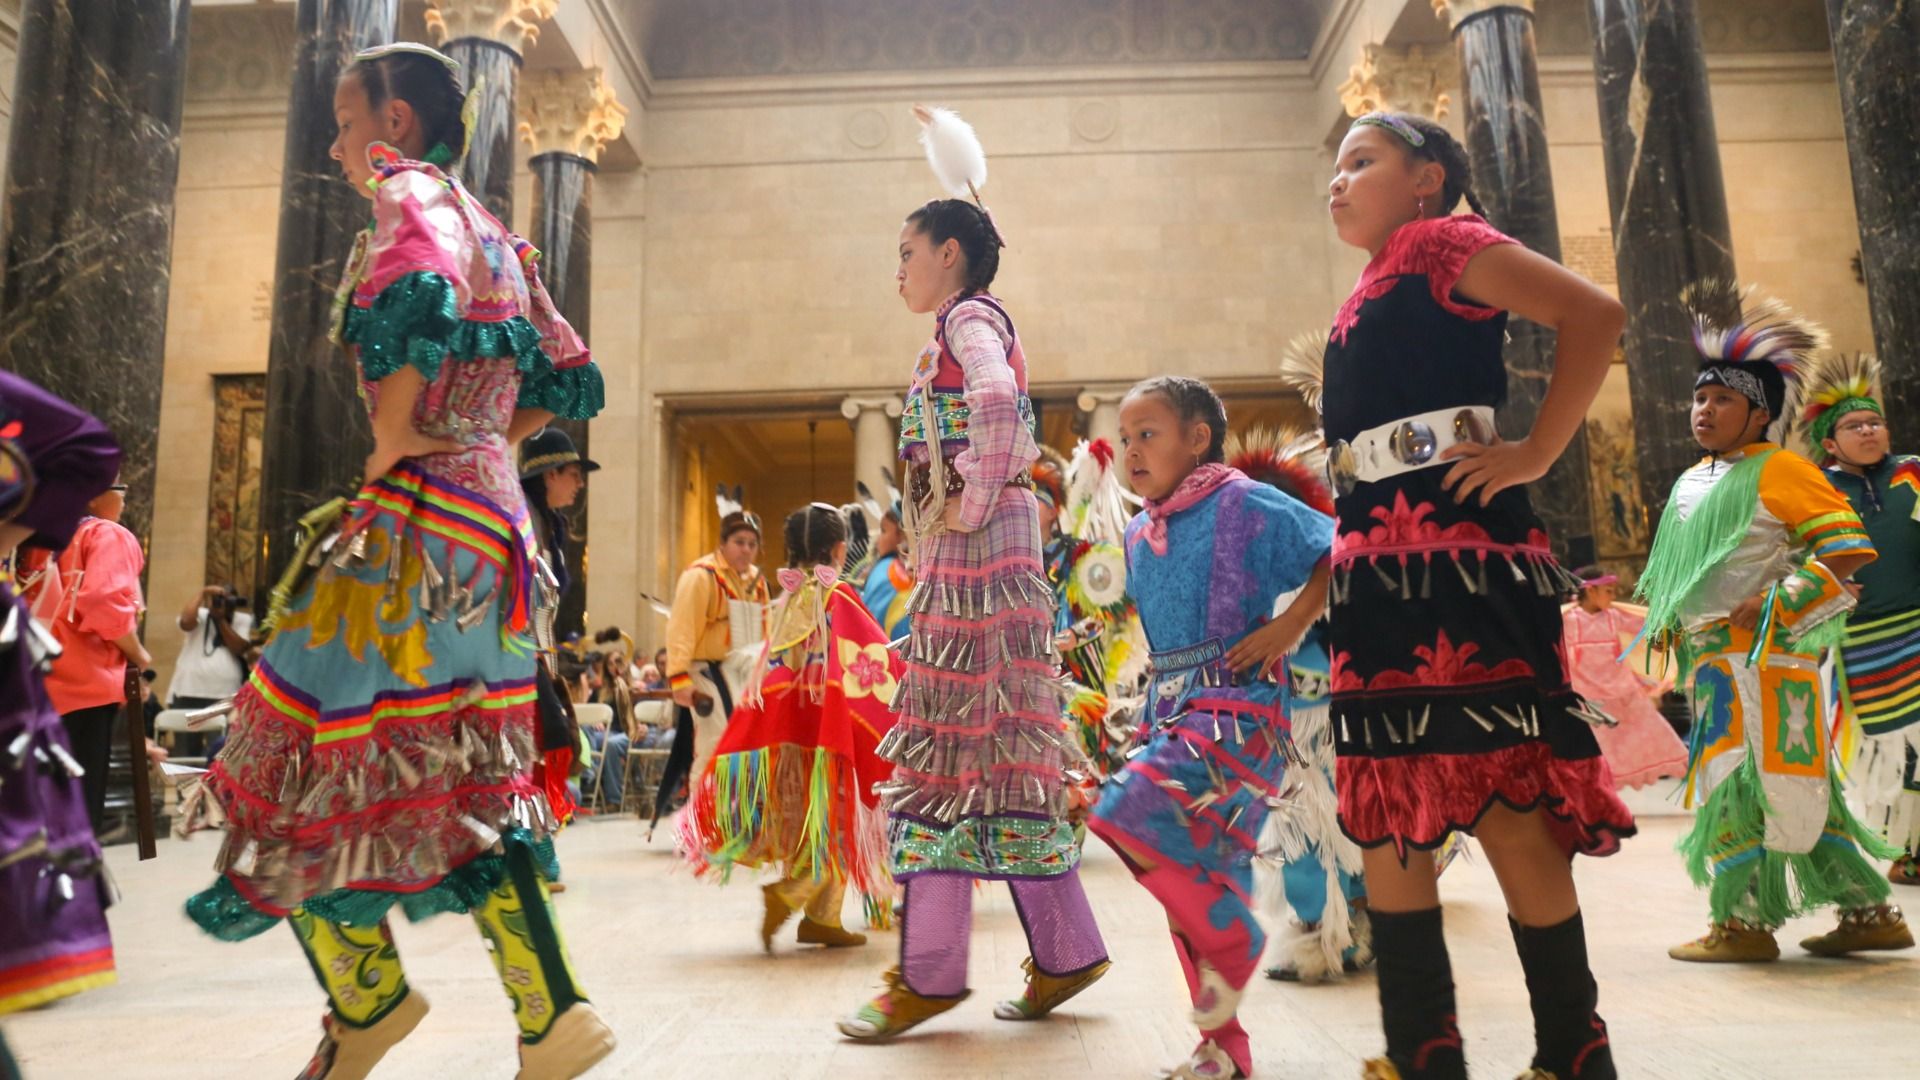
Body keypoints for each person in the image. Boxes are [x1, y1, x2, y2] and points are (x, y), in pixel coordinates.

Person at [179, 44, 613, 1079]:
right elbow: (570, 372)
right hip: (490, 526)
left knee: (282, 756)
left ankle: (368, 997)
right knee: (458, 767)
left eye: (343, 121)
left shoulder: (410, 191)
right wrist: (488, 440)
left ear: (399, 122)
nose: (334, 147)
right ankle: (550, 1015)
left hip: (416, 526)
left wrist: (397, 429)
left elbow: (408, 292)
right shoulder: (502, 233)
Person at [1321, 112, 1635, 1080]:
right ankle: (1423, 1053)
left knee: (1504, 792)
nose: (1337, 180)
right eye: (1332, 166)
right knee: (1384, 796)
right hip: (1372, 569)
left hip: (1462, 557)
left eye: (1360, 161)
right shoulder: (1369, 285)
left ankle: (1572, 1052)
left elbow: (1596, 315)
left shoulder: (1445, 243)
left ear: (1428, 177)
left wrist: (1536, 449)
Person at [838, 105, 1108, 1042]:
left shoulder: (968, 319)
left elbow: (996, 401)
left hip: (979, 561)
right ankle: (1065, 947)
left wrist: (975, 495)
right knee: (997, 753)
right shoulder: (963, 321)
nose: (899, 267)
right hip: (984, 565)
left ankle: (930, 971)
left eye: (907, 249)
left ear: (949, 251)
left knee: (951, 750)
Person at [1634, 298, 1911, 966]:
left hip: (1763, 658)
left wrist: (1774, 601)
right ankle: (1869, 912)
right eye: (1698, 398)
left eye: (1722, 400)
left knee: (1743, 783)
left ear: (1760, 413)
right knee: (1788, 784)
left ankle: (1741, 924)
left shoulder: (1782, 468)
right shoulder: (1692, 480)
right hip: (1715, 662)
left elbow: (1845, 549)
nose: (1704, 409)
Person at [1086, 381, 1334, 1079]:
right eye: (1125, 437)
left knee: (1123, 813)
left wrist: (1289, 626)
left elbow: (1334, 548)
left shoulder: (1241, 501)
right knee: (1198, 877)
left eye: (1149, 434)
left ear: (1197, 438)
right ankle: (1226, 1051)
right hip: (1174, 707)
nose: (1132, 449)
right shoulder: (1140, 529)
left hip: (1239, 707)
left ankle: (1239, 941)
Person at [679, 504, 903, 952]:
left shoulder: (789, 598)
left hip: (787, 724)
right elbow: (875, 652)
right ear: (840, 549)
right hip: (825, 724)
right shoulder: (835, 592)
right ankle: (793, 893)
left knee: (807, 816)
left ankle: (822, 919)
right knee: (835, 816)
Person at [1214, 426, 1372, 989]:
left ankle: (1328, 934)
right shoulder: (1253, 573)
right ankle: (1342, 927)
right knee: (1312, 827)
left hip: (1315, 723)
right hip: (1291, 722)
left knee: (1318, 826)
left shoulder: (1315, 567)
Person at [0, 371, 124, 1023]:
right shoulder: (110, 538)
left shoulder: (100, 537)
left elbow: (85, 446)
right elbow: (109, 606)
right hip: (80, 674)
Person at [1804, 354, 1920, 887]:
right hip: (1863, 642)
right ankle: (1908, 848)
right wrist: (1824, 590)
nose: (1869, 430)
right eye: (1854, 425)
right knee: (1892, 751)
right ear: (1830, 441)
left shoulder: (1913, 473)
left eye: (1875, 421)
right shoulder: (1815, 491)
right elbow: (1795, 560)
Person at [32, 478, 149, 835]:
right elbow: (102, 603)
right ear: (93, 495)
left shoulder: (35, 538)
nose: (126, 498)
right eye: (120, 487)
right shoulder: (106, 534)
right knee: (73, 820)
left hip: (28, 687)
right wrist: (140, 654)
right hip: (81, 689)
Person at [655, 504, 770, 839]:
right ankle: (698, 829)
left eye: (752, 542)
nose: (746, 549)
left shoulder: (758, 582)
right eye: (739, 541)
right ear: (723, 543)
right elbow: (681, 628)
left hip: (746, 671)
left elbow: (769, 629)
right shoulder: (701, 576)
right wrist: (679, 678)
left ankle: (742, 825)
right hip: (705, 671)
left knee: (752, 747)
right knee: (714, 744)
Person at [521, 427, 597, 831]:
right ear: (550, 474)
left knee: (550, 741)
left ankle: (534, 840)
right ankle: (524, 844)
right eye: (573, 472)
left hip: (537, 656)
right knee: (543, 742)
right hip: (515, 653)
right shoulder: (521, 520)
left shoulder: (549, 524)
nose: (580, 483)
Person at [1561, 568, 1689, 790]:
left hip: (1623, 692)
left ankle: (1683, 769)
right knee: (1600, 750)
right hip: (1589, 698)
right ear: (1590, 590)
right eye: (1608, 591)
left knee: (1654, 734)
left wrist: (1665, 632)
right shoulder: (1569, 620)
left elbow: (1646, 629)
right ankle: (1600, 788)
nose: (1613, 596)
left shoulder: (1614, 617)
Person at [166, 584, 255, 755]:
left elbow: (239, 647)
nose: (224, 603)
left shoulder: (241, 619)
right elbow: (186, 623)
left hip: (224, 696)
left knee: (221, 751)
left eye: (228, 600)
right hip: (188, 691)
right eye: (220, 599)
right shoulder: (201, 615)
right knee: (186, 750)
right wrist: (203, 592)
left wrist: (220, 619)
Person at [857, 505, 914, 640]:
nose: (878, 540)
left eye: (883, 530)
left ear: (903, 535)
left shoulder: (887, 573)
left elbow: (867, 629)